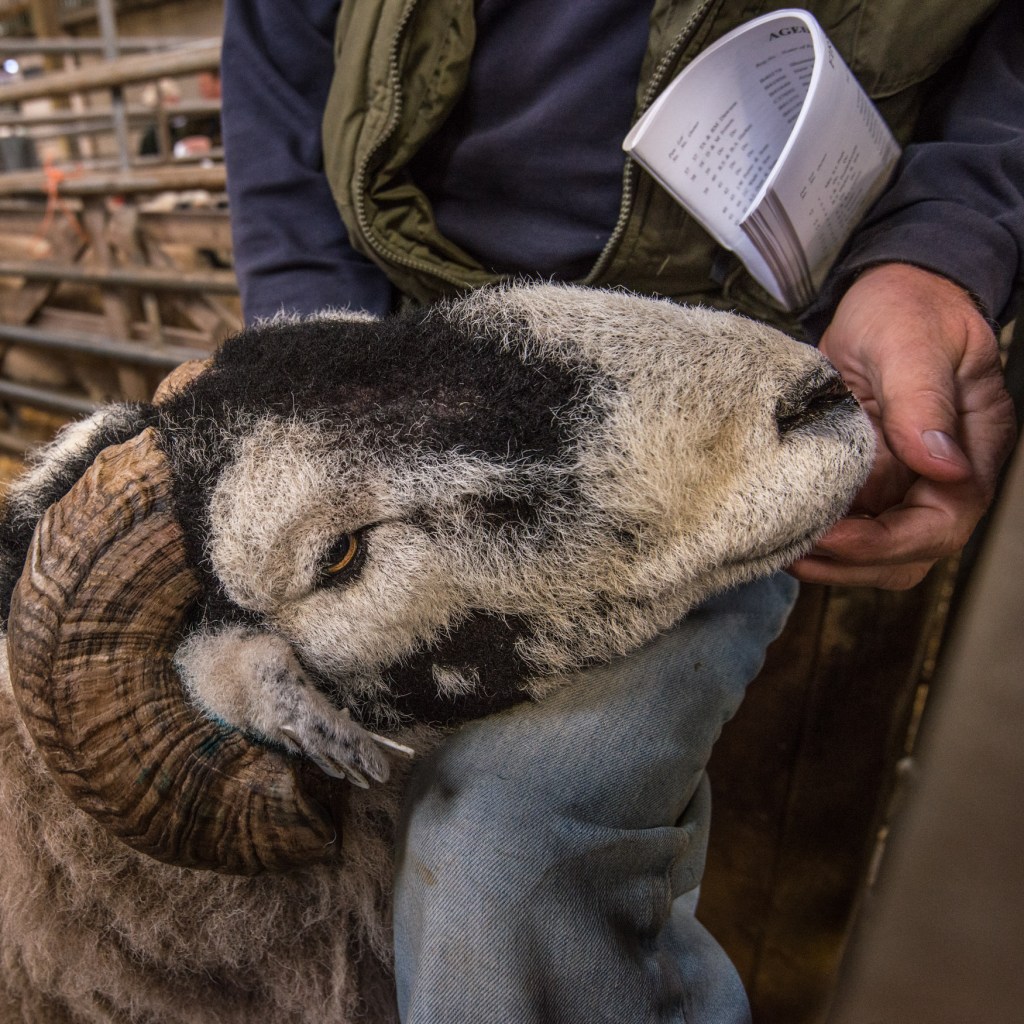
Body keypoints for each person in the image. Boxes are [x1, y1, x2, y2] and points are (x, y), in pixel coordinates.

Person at [220, 1, 1021, 1021]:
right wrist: (313, 335)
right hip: (404, 363)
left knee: (509, 851)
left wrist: (939, 250)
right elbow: (279, 40)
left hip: (751, 385)